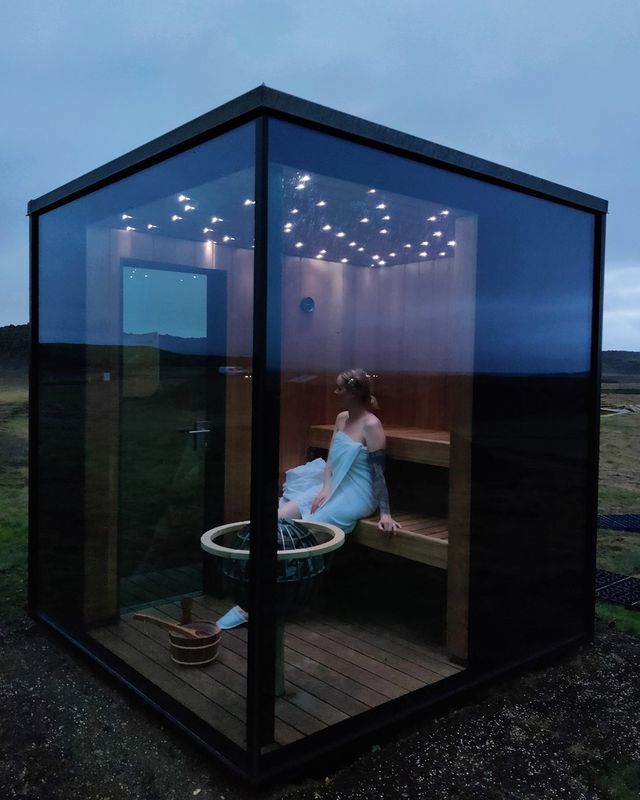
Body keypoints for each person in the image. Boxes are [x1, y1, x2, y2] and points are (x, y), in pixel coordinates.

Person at [217, 369, 401, 629]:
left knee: (308, 528)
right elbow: (332, 461)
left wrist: (385, 513)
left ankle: (255, 603)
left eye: (339, 389)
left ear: (354, 393)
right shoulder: (341, 418)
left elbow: (378, 473)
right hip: (333, 484)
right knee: (276, 518)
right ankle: (252, 586)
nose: (334, 392)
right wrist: (324, 488)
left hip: (358, 492)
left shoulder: (372, 425)